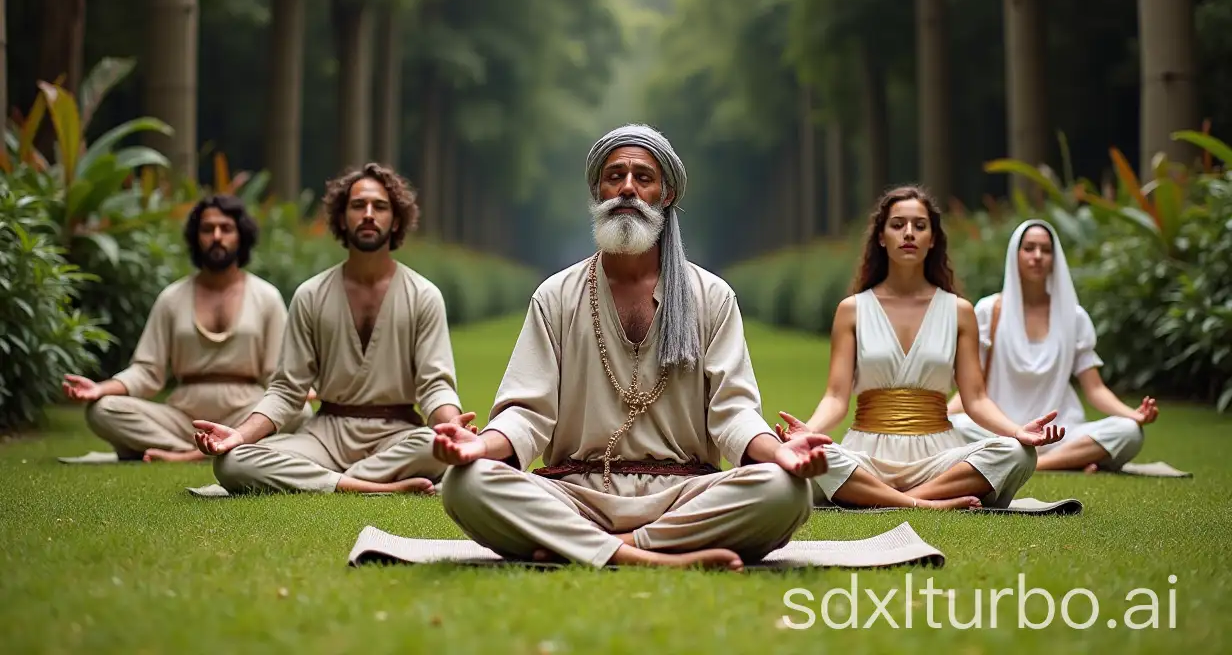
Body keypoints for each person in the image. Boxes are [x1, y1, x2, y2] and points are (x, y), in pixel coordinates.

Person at [433, 124, 830, 572]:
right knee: (466, 484)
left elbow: (733, 412)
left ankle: (601, 548)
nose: (627, 188)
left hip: (685, 498)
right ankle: (652, 556)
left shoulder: (712, 296)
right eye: (614, 176)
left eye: (643, 177)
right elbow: (526, 413)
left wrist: (781, 454)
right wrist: (478, 449)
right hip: (576, 494)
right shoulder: (556, 295)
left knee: (785, 490)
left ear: (666, 195)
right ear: (597, 191)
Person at [777, 186, 1064, 510]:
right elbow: (835, 397)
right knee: (821, 457)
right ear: (881, 237)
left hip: (938, 460)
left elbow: (976, 399)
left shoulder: (959, 311)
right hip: (867, 457)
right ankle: (925, 503)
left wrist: (1017, 430)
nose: (909, 233)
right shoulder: (852, 310)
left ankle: (888, 498)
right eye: (898, 225)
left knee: (1018, 453)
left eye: (920, 225)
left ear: (933, 238)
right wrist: (808, 432)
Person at [192, 163, 469, 494]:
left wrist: (451, 427)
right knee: (232, 462)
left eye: (380, 206)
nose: (368, 214)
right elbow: (286, 390)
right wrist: (239, 435)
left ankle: (333, 481)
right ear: (341, 218)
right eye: (357, 206)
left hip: (397, 435)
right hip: (323, 439)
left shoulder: (424, 296)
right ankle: (371, 486)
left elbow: (435, 384)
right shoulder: (311, 295)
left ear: (395, 220)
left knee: (431, 445)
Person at [62, 195, 308, 462]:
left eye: (226, 228)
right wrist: (101, 389)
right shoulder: (172, 297)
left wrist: (300, 388)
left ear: (241, 236)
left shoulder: (266, 297)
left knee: (301, 411)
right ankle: (198, 450)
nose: (216, 236)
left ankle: (190, 453)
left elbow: (276, 374)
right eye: (207, 229)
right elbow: (147, 371)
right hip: (183, 419)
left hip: (245, 411)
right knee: (101, 410)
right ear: (195, 237)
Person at [947, 218, 1156, 472]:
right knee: (952, 426)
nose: (1037, 256)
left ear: (1055, 259)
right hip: (1001, 431)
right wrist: (941, 416)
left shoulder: (1074, 316)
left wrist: (1133, 415)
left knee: (1129, 432)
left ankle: (1037, 464)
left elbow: (1095, 389)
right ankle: (1065, 460)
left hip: (1061, 435)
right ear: (1015, 255)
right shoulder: (988, 311)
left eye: (1046, 250)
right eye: (1029, 248)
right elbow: (972, 391)